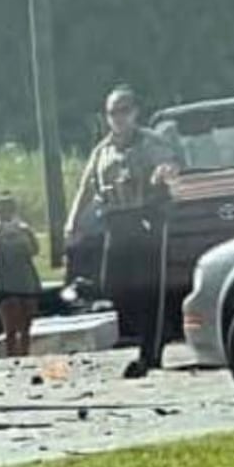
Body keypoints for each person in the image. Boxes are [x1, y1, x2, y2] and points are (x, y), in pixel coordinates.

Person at [65, 86, 181, 379]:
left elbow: (169, 165)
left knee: (149, 289)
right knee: (113, 285)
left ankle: (150, 352)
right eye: (113, 112)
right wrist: (73, 222)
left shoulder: (151, 142)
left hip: (146, 217)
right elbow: (86, 187)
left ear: (135, 113)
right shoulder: (102, 151)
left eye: (124, 111)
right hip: (116, 220)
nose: (118, 118)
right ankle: (143, 335)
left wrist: (165, 173)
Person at [0, 193, 41, 358]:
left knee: (26, 327)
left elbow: (35, 251)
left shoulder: (24, 230)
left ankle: (25, 356)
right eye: (2, 209)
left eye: (9, 208)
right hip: (4, 285)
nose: (6, 213)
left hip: (26, 283)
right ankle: (13, 358)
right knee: (10, 328)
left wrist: (23, 236)